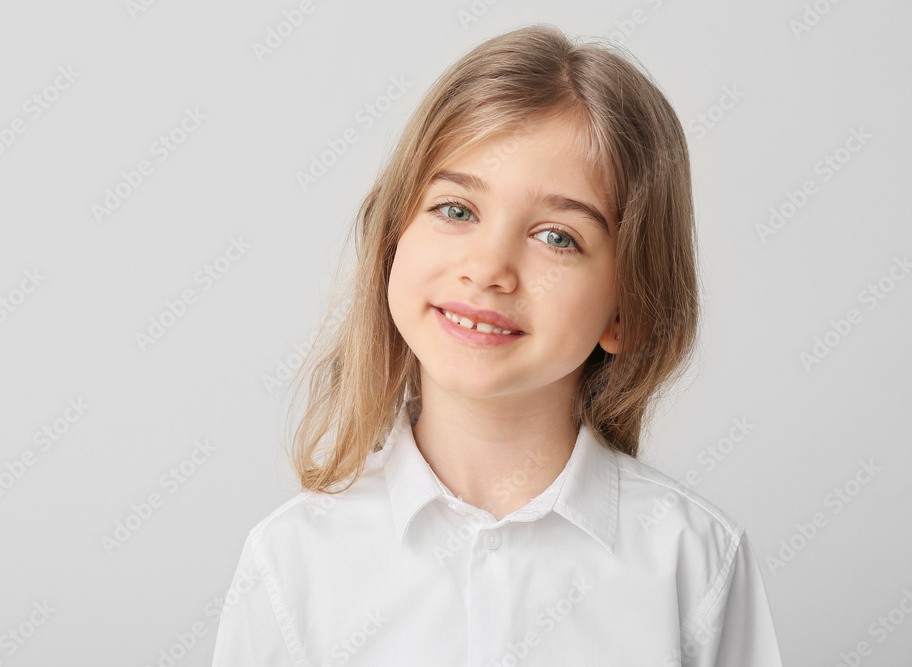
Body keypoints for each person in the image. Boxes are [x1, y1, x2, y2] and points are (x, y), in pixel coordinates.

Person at [212, 23, 783, 666]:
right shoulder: (291, 563)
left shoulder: (694, 563)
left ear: (627, 309)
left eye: (557, 237)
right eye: (456, 210)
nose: (488, 268)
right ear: (392, 245)